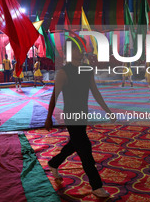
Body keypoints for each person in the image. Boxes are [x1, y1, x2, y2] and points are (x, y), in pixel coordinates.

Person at [44, 38, 112, 198]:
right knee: (85, 148)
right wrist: (48, 117)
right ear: (70, 52)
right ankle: (96, 185)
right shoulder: (63, 72)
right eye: (77, 49)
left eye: (81, 49)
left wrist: (107, 110)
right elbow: (54, 96)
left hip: (83, 113)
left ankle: (54, 163)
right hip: (71, 115)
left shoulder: (87, 70)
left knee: (75, 143)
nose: (81, 52)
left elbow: (95, 92)